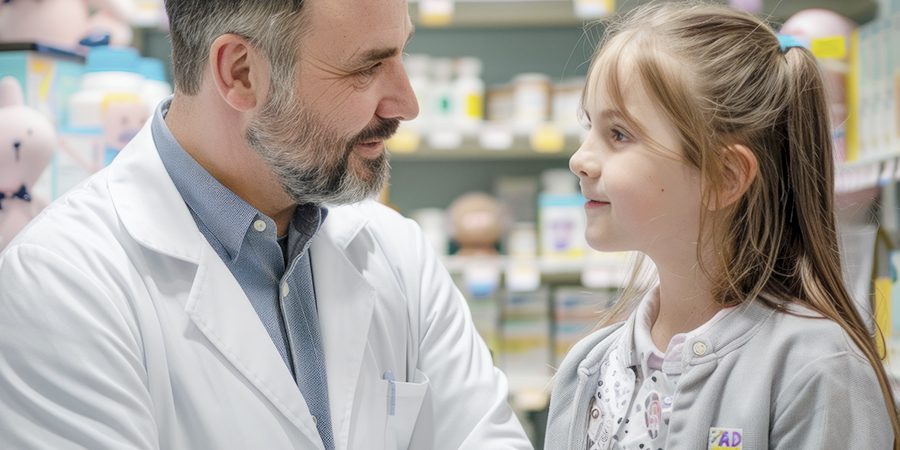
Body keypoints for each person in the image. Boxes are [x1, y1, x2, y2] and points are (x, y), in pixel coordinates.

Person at [0, 0, 532, 449]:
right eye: (366, 68)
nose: (406, 104)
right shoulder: (61, 284)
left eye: (401, 54)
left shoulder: (396, 254)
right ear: (241, 73)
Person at [544, 3, 899, 449]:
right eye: (588, 126)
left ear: (724, 177)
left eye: (619, 135)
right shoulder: (589, 368)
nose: (579, 160)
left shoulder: (816, 368)